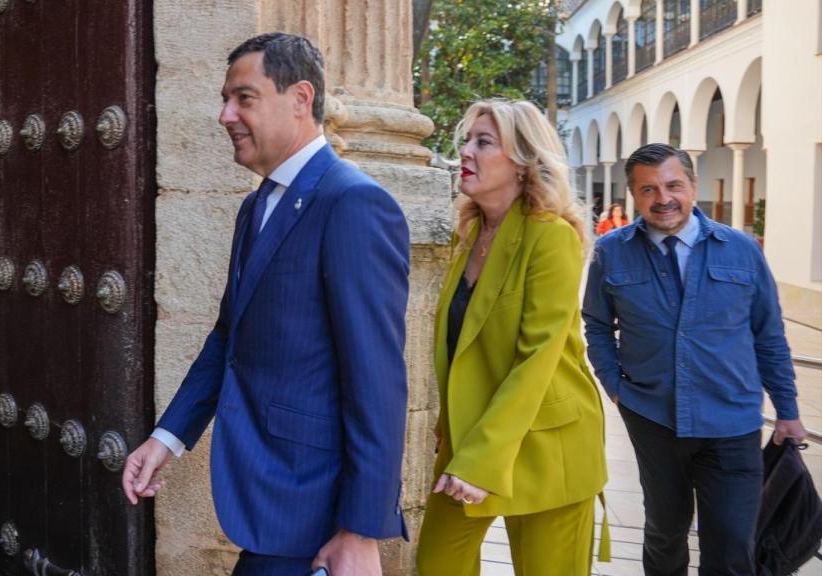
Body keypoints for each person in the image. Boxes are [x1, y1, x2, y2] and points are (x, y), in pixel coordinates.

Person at [120, 33, 410, 576]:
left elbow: (378, 382)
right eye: (225, 100)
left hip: (314, 507)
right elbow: (228, 339)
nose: (225, 115)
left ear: (300, 98)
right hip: (268, 499)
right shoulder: (255, 207)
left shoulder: (354, 203)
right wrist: (166, 439)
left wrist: (360, 530)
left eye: (244, 98)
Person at [583, 143, 807, 575]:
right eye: (648, 189)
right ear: (634, 194)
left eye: (673, 185)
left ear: (692, 185)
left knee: (731, 544)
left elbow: (769, 335)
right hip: (652, 417)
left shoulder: (742, 249)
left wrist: (788, 410)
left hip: (732, 420)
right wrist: (615, 385)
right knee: (664, 533)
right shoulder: (611, 251)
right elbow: (595, 323)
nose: (663, 198)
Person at [416, 99, 609, 576]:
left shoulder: (552, 236)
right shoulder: (470, 234)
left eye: (483, 142)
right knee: (437, 563)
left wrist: (480, 461)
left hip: (549, 444)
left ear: (523, 162)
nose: (466, 151)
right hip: (476, 434)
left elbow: (537, 358)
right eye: (467, 140)